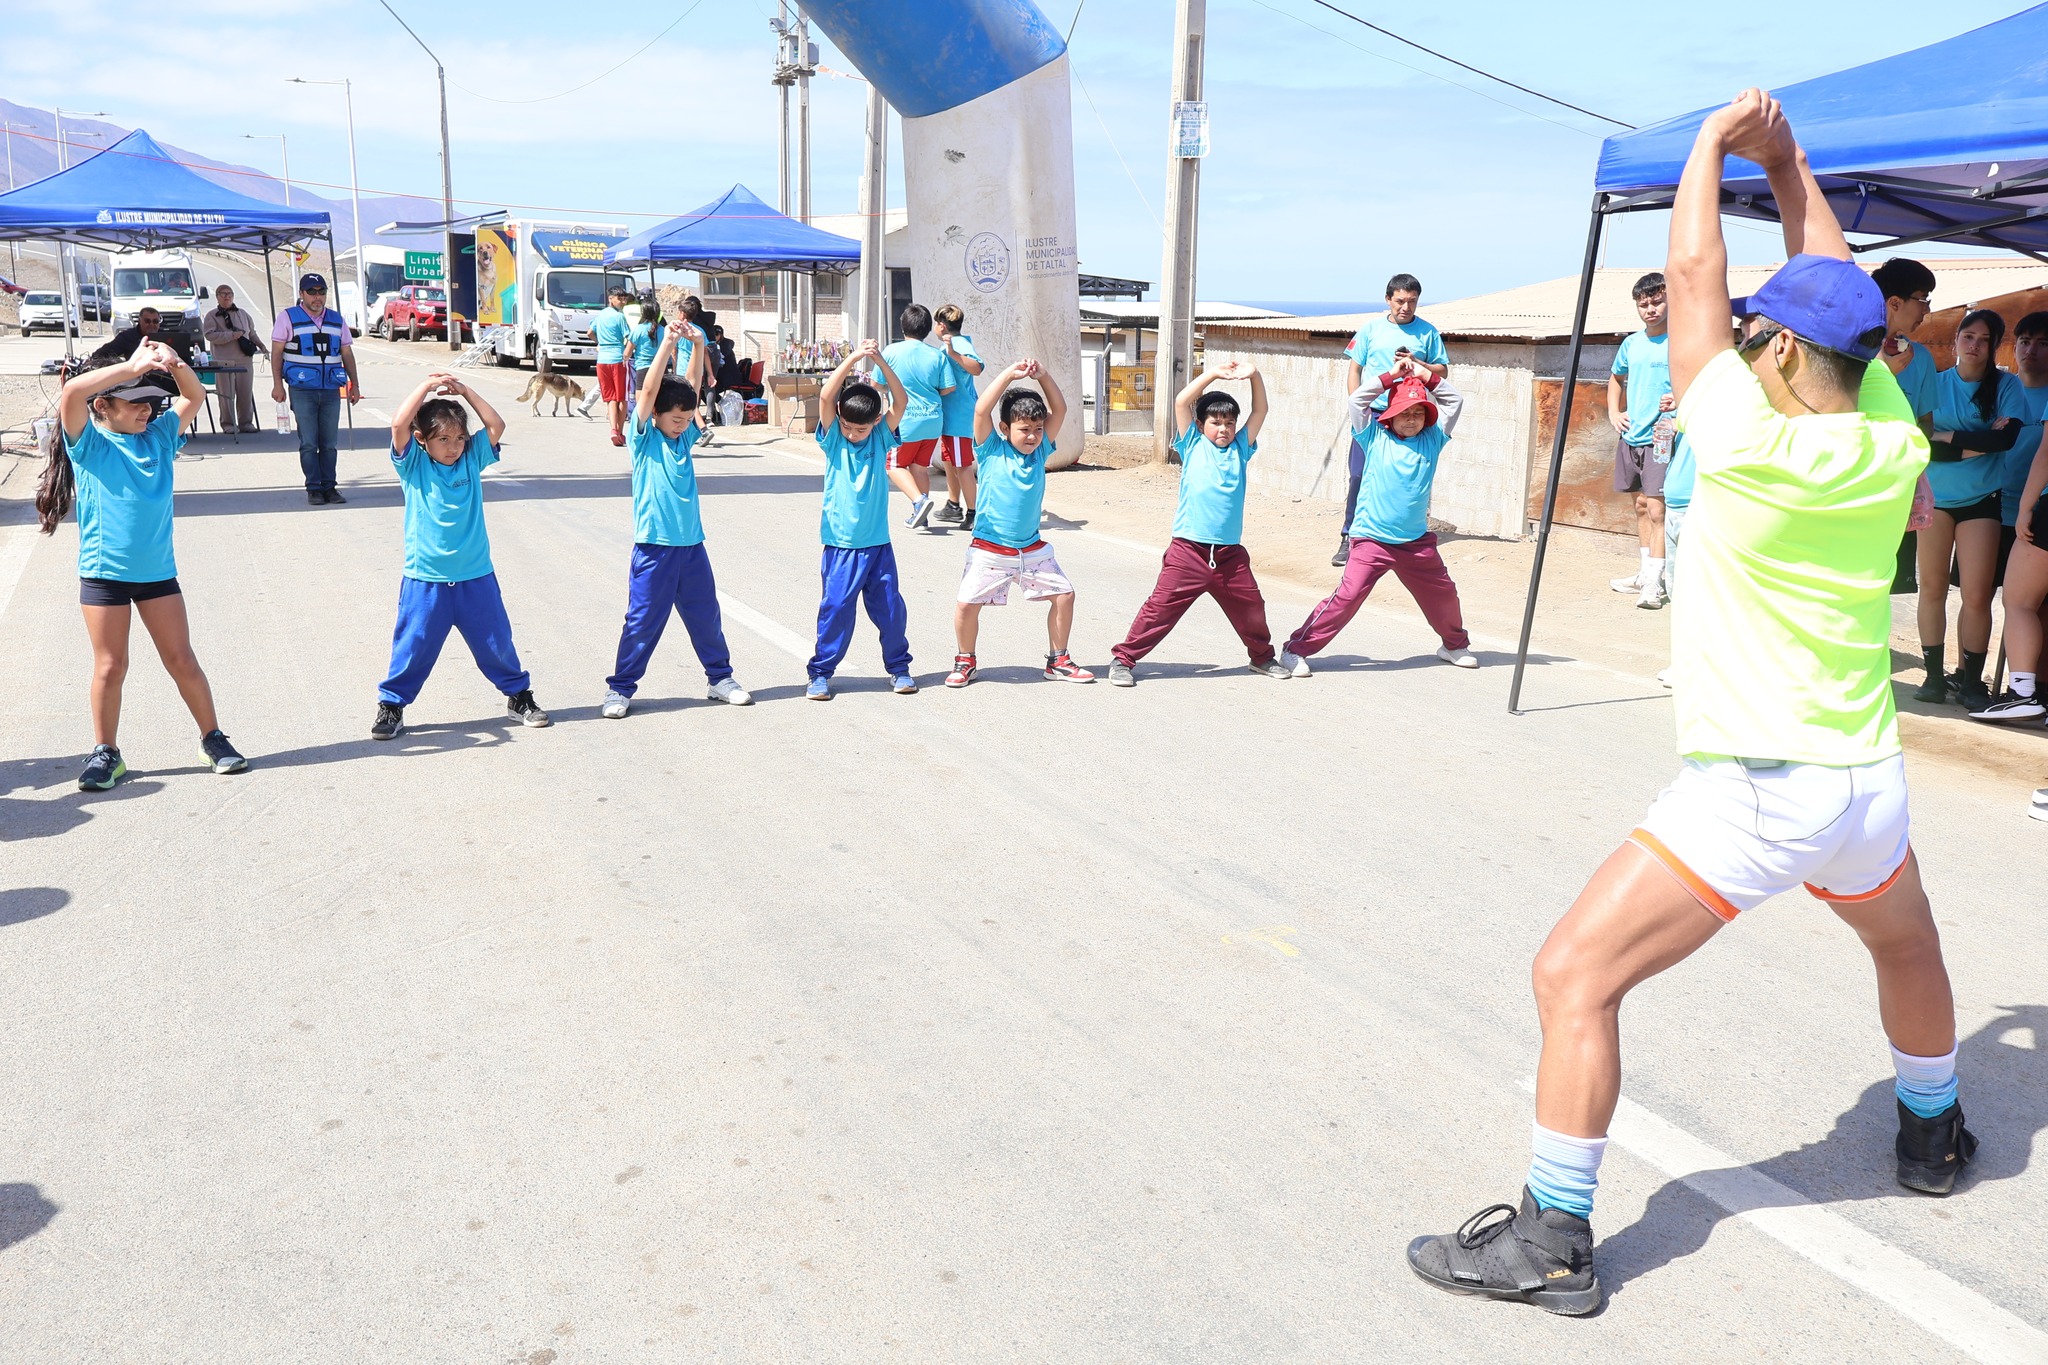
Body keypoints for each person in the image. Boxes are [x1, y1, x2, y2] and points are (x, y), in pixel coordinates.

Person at [1407, 90, 1966, 1318]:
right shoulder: (1890, 438)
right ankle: (1931, 1131)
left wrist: (1716, 148)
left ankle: (1552, 1234)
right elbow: (1831, 285)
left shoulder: (1741, 433)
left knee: (1571, 979)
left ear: (1773, 354)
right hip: (1860, 785)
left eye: (1759, 332)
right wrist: (1796, 162)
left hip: (1753, 790)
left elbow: (1696, 267)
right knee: (1904, 939)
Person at [35, 344, 249, 788]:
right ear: (104, 406)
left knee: (182, 660)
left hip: (157, 577)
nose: (147, 411)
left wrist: (173, 362)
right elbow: (72, 394)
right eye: (135, 402)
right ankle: (106, 752)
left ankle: (213, 738)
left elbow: (194, 396)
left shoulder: (160, 436)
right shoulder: (90, 443)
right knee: (110, 667)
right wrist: (128, 367)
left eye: (152, 402)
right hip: (103, 576)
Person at [372, 373, 550, 740]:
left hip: (475, 575)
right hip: (426, 578)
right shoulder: (414, 465)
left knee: (496, 642)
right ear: (423, 440)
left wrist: (465, 391)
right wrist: (423, 387)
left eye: (459, 438)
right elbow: (398, 424)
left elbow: (496, 424)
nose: (453, 447)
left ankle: (518, 696)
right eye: (442, 439)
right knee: (413, 645)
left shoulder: (471, 460)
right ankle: (392, 705)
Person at [1278, 364, 1476, 675]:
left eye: (1418, 413)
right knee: (1348, 595)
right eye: (1404, 412)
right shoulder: (1374, 437)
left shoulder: (1433, 440)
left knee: (1444, 595)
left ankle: (1453, 644)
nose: (1411, 419)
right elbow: (1357, 400)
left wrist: (1427, 377)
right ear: (1390, 416)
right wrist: (1391, 377)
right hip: (1371, 539)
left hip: (1416, 543)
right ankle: (1296, 649)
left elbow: (1455, 402)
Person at [599, 325, 754, 719]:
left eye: (687, 418)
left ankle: (720, 678)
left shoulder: (683, 437)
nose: (682, 423)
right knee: (643, 620)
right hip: (654, 547)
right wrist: (668, 342)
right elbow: (649, 393)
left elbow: (694, 385)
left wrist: (699, 345)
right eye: (676, 417)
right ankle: (620, 689)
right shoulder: (645, 438)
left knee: (706, 616)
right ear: (656, 416)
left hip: (691, 546)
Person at [1108, 361, 1288, 686]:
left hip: (1230, 556)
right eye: (1216, 422)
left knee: (1252, 608)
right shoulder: (1192, 445)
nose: (1223, 429)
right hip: (1188, 551)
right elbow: (1180, 401)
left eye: (1229, 423)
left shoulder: (1241, 448)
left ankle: (1261, 658)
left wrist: (1255, 376)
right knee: (1160, 608)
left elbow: (1261, 409)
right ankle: (1123, 660)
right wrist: (1214, 374)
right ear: (1201, 424)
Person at [948, 359, 1092, 687]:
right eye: (1024, 429)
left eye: (1038, 429)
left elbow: (1061, 408)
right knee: (966, 605)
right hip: (989, 549)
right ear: (1005, 428)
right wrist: (1009, 375)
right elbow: (981, 411)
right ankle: (965, 659)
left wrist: (1043, 375)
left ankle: (1058, 660)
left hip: (1031, 548)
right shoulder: (990, 449)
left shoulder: (1040, 452)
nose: (1032, 435)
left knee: (1065, 595)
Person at [1914, 308, 2025, 709]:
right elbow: (1922, 443)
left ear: (1995, 345)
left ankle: (1972, 682)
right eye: (1968, 336)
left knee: (1977, 596)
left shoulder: (2007, 386)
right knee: (1932, 588)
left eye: (1984, 339)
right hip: (1935, 500)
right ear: (1956, 339)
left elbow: (2005, 441)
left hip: (1982, 501)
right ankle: (1931, 676)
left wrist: (1948, 437)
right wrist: (1974, 441)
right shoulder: (1934, 382)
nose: (1975, 345)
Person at [805, 339, 915, 700]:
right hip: (841, 545)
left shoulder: (881, 436)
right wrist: (854, 358)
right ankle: (820, 673)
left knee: (890, 611)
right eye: (849, 426)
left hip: (878, 545)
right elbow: (825, 397)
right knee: (835, 609)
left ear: (876, 423)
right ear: (840, 419)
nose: (854, 434)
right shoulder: (834, 437)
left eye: (860, 429)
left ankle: (899, 669)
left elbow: (902, 401)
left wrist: (879, 360)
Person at [1334, 273, 1448, 566]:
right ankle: (1350, 536)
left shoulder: (1428, 332)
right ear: (1388, 299)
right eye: (1400, 301)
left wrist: (1419, 363)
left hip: (1410, 413)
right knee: (1360, 474)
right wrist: (1357, 403)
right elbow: (1354, 369)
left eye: (1412, 301)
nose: (1405, 307)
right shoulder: (1371, 329)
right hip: (1374, 415)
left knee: (1412, 473)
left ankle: (1407, 535)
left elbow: (1442, 371)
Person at [1973, 311, 2048, 723]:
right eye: (2024, 341)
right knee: (1981, 596)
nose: (2031, 351)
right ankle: (1975, 680)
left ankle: (2027, 690)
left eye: (2042, 343)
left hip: (2033, 514)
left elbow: (2044, 455)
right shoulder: (2001, 389)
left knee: (2027, 604)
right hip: (1991, 507)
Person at [1607, 272, 1676, 609]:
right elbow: (1616, 377)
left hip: (1661, 436)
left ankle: (1656, 583)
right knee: (1639, 506)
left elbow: (1698, 380)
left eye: (1657, 301)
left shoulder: (1681, 341)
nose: (1651, 309)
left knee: (1657, 509)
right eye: (1644, 304)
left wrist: (1680, 398)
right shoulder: (1632, 343)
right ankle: (1644, 572)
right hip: (1631, 436)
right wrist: (1613, 412)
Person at [1873, 258, 1939, 594]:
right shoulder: (1851, 351)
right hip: (1856, 489)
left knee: (1887, 584)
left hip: (1896, 494)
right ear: (1895, 302)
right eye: (1923, 300)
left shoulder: (1922, 359)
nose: (1925, 311)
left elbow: (1926, 424)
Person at [269, 273, 362, 506]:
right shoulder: (287, 317)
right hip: (302, 390)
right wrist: (277, 384)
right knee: (309, 441)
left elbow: (347, 354)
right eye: (312, 292)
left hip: (330, 390)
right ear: (302, 294)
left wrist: (355, 385)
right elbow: (277, 352)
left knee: (329, 443)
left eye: (321, 292)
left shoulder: (336, 320)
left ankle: (330, 487)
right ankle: (314, 488)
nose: (317, 297)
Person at [881, 304, 959, 531]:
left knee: (893, 465)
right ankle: (921, 515)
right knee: (919, 467)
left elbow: (877, 384)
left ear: (902, 326)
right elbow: (947, 388)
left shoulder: (891, 352)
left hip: (905, 421)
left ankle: (919, 501)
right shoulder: (937, 355)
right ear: (927, 329)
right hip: (933, 420)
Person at [931, 303, 984, 528]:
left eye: (936, 323)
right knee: (950, 462)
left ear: (942, 326)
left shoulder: (958, 344)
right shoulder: (951, 343)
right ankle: (953, 505)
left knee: (962, 465)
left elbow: (977, 367)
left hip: (959, 415)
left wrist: (952, 353)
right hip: (950, 415)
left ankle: (974, 512)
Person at [201, 285, 262, 434]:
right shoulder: (211, 316)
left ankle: (246, 423)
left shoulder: (243, 314)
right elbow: (209, 335)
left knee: (245, 393)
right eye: (223, 294)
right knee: (226, 395)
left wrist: (261, 346)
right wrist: (230, 335)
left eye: (229, 294)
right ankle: (228, 424)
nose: (227, 297)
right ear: (217, 296)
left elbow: (251, 333)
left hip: (244, 360)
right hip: (223, 361)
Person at [593, 285, 634, 446]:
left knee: (610, 398)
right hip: (617, 359)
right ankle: (621, 431)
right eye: (620, 298)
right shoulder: (620, 317)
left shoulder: (600, 315)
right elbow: (629, 337)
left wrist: (600, 343)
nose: (623, 301)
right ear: (611, 299)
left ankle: (613, 430)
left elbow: (590, 332)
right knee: (622, 397)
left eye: (624, 298)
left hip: (602, 360)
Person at [91, 306, 195, 365]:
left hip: (165, 377)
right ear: (140, 321)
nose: (152, 325)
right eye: (147, 321)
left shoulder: (167, 337)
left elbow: (184, 358)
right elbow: (100, 354)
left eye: (155, 321)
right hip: (139, 378)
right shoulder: (127, 337)